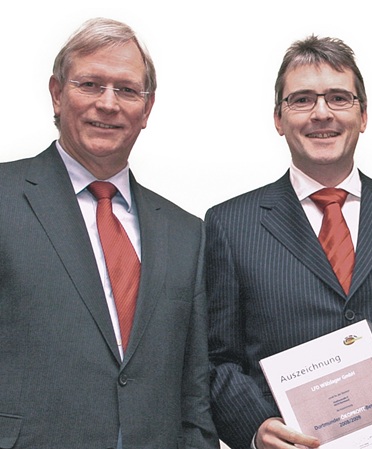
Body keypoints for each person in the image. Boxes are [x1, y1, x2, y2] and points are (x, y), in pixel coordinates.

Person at [206, 35, 372, 449]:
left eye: (339, 98)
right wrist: (255, 428)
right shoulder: (229, 225)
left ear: (363, 115)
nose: (322, 113)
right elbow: (217, 358)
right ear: (278, 119)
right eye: (302, 100)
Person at [0, 17, 218, 449]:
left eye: (127, 90)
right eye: (90, 85)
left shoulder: (186, 233)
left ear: (147, 109)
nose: (108, 103)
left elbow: (194, 392)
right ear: (57, 94)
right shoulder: (6, 198)